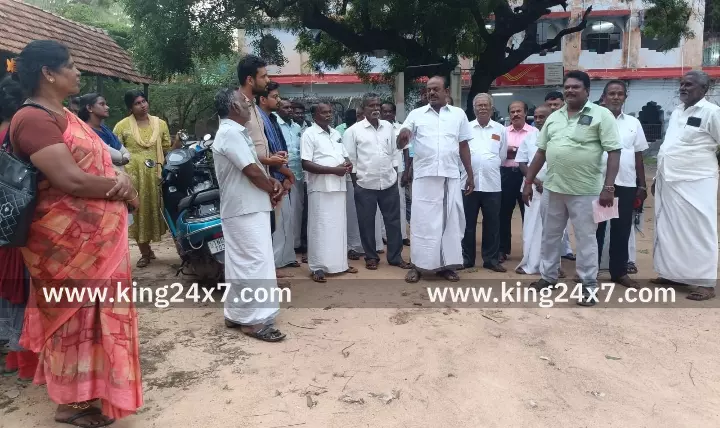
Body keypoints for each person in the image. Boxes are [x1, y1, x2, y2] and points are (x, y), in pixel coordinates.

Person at [11, 39, 142, 426]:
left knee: (96, 319)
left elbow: (97, 162)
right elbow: (69, 179)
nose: (78, 71)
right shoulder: (33, 119)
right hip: (62, 244)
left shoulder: (65, 114)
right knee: (74, 319)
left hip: (97, 241)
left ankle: (92, 390)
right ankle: (71, 403)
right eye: (70, 65)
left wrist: (120, 179)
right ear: (48, 73)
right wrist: (122, 187)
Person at [522, 71, 621, 306]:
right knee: (550, 236)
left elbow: (614, 152)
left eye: (575, 87)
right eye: (567, 87)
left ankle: (588, 285)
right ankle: (548, 277)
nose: (570, 91)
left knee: (586, 239)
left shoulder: (601, 115)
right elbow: (541, 152)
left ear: (587, 90)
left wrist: (608, 187)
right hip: (553, 188)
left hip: (586, 190)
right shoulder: (554, 117)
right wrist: (528, 182)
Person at [212, 87, 286, 341]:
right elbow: (251, 171)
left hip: (246, 207)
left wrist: (270, 184)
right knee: (253, 263)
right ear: (233, 107)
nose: (248, 104)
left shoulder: (234, 132)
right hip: (245, 209)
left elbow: (254, 168)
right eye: (243, 102)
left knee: (242, 263)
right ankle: (253, 322)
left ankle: (236, 313)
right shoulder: (230, 133)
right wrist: (272, 189)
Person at [397, 76, 474, 283]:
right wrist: (402, 137)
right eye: (428, 90)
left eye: (435, 89)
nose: (431, 93)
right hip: (424, 177)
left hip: (449, 177)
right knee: (421, 223)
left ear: (446, 91)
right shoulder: (416, 114)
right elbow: (403, 140)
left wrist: (470, 174)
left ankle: (446, 266)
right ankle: (417, 265)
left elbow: (463, 146)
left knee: (449, 224)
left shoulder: (458, 114)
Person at [652, 70, 720, 301]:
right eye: (682, 84)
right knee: (670, 228)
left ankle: (706, 282)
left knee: (700, 230)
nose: (683, 88)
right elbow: (671, 145)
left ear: (704, 89)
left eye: (689, 84)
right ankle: (673, 274)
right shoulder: (677, 111)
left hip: (697, 181)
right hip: (669, 179)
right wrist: (657, 177)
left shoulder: (712, 112)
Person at [343, 93, 412, 271]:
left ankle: (395, 257)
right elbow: (351, 160)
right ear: (363, 108)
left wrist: (394, 174)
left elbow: (394, 152)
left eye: (378, 105)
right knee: (366, 223)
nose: (375, 109)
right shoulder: (353, 131)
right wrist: (357, 184)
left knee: (393, 222)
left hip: (388, 183)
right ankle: (371, 257)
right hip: (365, 184)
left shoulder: (388, 127)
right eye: (371, 105)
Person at [237, 55, 291, 279]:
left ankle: (267, 277)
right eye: (264, 76)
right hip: (250, 183)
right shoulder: (237, 107)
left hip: (265, 178)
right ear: (250, 80)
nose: (268, 80)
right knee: (252, 241)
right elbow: (240, 151)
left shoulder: (253, 106)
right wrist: (270, 162)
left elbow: (257, 146)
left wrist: (271, 162)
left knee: (267, 231)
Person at [0, 75, 38, 382]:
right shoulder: (22, 132)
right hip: (20, 224)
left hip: (3, 224)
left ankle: (14, 357)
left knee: (10, 289)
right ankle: (27, 360)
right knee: (26, 290)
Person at [114, 89, 178, 268]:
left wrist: (177, 144)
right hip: (134, 177)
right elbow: (115, 151)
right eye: (137, 103)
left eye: (144, 101)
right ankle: (144, 252)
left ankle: (176, 249)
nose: (142, 106)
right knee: (138, 212)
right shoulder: (121, 126)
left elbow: (166, 150)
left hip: (155, 175)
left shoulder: (160, 124)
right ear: (130, 107)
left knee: (160, 210)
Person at [595, 81, 648, 289]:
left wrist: (642, 185)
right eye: (612, 93)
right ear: (604, 97)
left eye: (620, 94)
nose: (616, 97)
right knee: (597, 228)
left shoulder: (633, 123)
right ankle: (590, 271)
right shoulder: (595, 120)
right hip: (599, 183)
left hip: (626, 183)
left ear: (625, 97)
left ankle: (619, 272)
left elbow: (638, 155)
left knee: (622, 228)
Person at [302, 103, 359, 283]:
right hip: (320, 187)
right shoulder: (309, 134)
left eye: (330, 112)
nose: (328, 115)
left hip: (338, 187)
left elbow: (345, 157)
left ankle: (340, 264)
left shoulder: (335, 133)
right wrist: (333, 170)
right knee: (320, 228)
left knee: (338, 227)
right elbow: (306, 163)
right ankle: (317, 267)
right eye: (324, 112)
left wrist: (348, 164)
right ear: (314, 115)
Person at [515, 104, 568, 278]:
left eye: (542, 117)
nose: (538, 120)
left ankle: (553, 266)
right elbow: (522, 162)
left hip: (556, 187)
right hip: (533, 188)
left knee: (554, 229)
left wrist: (549, 182)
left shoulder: (562, 136)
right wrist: (535, 181)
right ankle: (530, 263)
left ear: (551, 117)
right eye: (536, 117)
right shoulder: (529, 138)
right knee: (531, 227)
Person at [461, 93, 507, 272]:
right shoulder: (466, 128)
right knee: (467, 223)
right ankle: (467, 258)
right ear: (474, 109)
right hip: (468, 183)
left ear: (491, 108)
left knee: (492, 224)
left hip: (492, 183)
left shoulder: (500, 129)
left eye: (485, 105)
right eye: (478, 105)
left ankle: (491, 260)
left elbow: (502, 156)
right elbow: (460, 153)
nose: (482, 108)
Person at [257, 81, 299, 271]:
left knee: (285, 221)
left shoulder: (271, 118)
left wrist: (287, 176)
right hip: (271, 178)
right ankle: (273, 265)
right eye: (275, 97)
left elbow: (281, 151)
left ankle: (285, 259)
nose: (279, 100)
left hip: (281, 175)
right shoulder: (259, 120)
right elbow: (265, 155)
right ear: (262, 99)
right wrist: (287, 174)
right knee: (276, 224)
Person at [499, 101, 533, 262]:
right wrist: (521, 152)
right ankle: (502, 250)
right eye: (512, 112)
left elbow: (533, 154)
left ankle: (530, 251)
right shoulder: (503, 132)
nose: (515, 114)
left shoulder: (534, 132)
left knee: (529, 213)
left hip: (527, 175)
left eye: (519, 111)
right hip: (507, 175)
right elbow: (499, 152)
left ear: (525, 113)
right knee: (503, 213)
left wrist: (512, 151)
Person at [276, 99, 307, 262]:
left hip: (298, 173)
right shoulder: (275, 124)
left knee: (297, 211)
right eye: (286, 107)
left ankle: (295, 245)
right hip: (282, 174)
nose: (289, 110)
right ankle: (284, 251)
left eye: (291, 108)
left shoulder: (296, 127)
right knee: (284, 214)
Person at [381, 101, 410, 246]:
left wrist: (406, 172)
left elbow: (406, 150)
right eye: (384, 111)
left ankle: (402, 235)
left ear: (394, 113)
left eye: (390, 111)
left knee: (400, 203)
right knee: (383, 205)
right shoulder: (378, 129)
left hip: (398, 171)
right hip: (382, 172)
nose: (387, 114)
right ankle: (383, 235)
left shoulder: (400, 128)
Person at [78, 93, 130, 167]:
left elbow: (125, 153)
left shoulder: (105, 129)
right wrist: (121, 158)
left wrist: (124, 158)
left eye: (106, 104)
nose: (107, 107)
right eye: (102, 104)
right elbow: (118, 155)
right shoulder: (85, 132)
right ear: (89, 108)